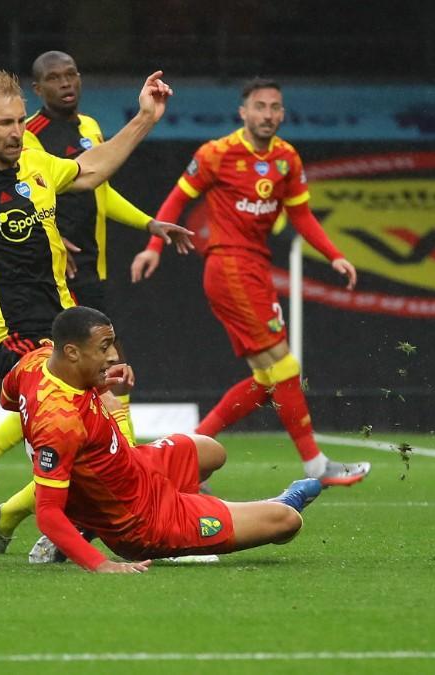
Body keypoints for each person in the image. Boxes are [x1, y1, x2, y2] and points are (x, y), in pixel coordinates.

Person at [0, 68, 191, 553]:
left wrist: (144, 118)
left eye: (19, 121)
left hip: (66, 326)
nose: (16, 132)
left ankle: (8, 520)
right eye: (4, 124)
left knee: (114, 413)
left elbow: (91, 170)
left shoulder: (35, 160)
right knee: (88, 437)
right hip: (17, 340)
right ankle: (69, 530)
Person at [129, 77, 369, 487]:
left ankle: (183, 459)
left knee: (266, 378)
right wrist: (154, 245)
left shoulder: (286, 159)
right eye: (259, 106)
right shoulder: (216, 153)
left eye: (275, 107)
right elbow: (177, 198)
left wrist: (335, 254)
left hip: (254, 269)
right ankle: (316, 465)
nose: (268, 114)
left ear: (282, 113)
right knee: (285, 365)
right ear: (243, 112)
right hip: (229, 266)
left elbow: (302, 215)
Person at [0, 306, 320, 572]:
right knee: (287, 522)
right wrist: (103, 565)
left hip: (138, 466)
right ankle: (266, 505)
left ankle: (207, 513)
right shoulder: (59, 423)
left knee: (211, 451)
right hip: (143, 521)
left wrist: (101, 383)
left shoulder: (35, 361)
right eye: (104, 347)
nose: (114, 356)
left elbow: (9, 398)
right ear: (73, 353)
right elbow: (47, 513)